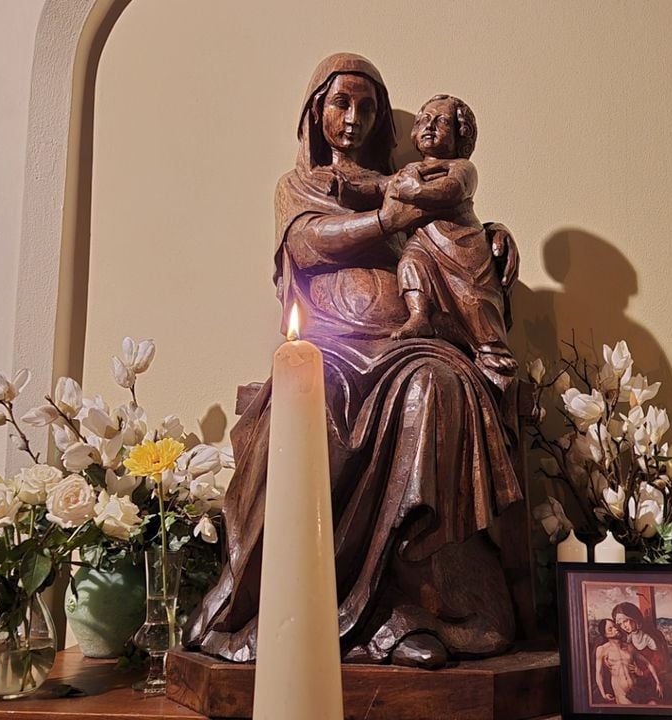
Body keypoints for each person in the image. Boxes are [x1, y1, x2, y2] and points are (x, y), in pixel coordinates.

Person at [182, 53, 523, 669]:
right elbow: (308, 245)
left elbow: (452, 222)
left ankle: (415, 601)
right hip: (331, 349)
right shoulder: (302, 186)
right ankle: (311, 609)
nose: (354, 118)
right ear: (317, 111)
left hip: (409, 344)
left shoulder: (409, 182)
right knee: (313, 405)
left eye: (367, 106)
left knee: (441, 386)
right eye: (341, 103)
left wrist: (493, 233)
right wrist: (382, 221)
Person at [333, 94, 515, 385]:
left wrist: (415, 190)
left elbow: (450, 190)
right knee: (410, 264)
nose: (430, 127)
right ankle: (420, 316)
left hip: (461, 244)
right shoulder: (407, 172)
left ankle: (490, 346)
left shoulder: (461, 168)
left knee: (473, 297)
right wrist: (348, 188)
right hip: (424, 242)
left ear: (461, 137)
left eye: (441, 122)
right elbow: (380, 187)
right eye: (423, 121)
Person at [612, 601, 672, 705]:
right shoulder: (628, 637)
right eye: (620, 623)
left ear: (634, 618)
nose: (623, 626)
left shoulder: (650, 636)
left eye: (625, 621)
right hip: (637, 678)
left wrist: (643, 672)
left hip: (654, 676)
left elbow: (660, 661)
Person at [593, 618, 657, 705]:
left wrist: (643, 673)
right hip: (622, 694)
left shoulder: (629, 647)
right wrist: (603, 694)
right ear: (605, 634)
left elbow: (648, 663)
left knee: (653, 705)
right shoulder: (602, 649)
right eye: (610, 629)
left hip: (637, 690)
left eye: (615, 626)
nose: (615, 629)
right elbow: (599, 673)